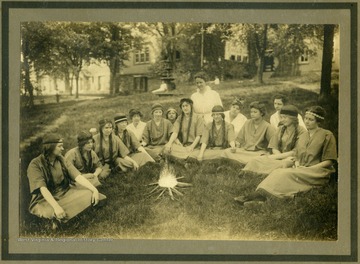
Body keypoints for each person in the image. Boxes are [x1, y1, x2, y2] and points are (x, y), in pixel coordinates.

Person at [234, 106, 337, 204]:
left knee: (283, 174)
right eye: (306, 118)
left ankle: (258, 198)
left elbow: (329, 161)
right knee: (278, 172)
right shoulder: (304, 136)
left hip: (317, 171)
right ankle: (257, 197)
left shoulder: (327, 135)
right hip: (301, 167)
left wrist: (310, 169)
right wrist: (297, 163)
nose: (307, 121)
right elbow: (297, 154)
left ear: (318, 121)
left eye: (311, 119)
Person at [26, 134, 106, 226]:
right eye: (60, 146)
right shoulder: (35, 164)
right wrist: (56, 207)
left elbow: (77, 176)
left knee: (89, 193)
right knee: (52, 210)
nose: (63, 149)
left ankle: (64, 216)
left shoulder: (61, 159)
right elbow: (42, 189)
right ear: (50, 147)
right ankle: (60, 215)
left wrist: (94, 190)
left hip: (64, 192)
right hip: (45, 198)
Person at [242, 105, 307, 174]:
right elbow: (274, 146)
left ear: (293, 118)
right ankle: (250, 171)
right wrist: (278, 157)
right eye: (281, 117)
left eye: (285, 117)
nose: (282, 120)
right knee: (256, 159)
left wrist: (278, 158)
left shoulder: (302, 132)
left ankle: (261, 172)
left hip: (291, 158)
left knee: (282, 165)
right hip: (278, 156)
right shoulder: (280, 129)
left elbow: (295, 151)